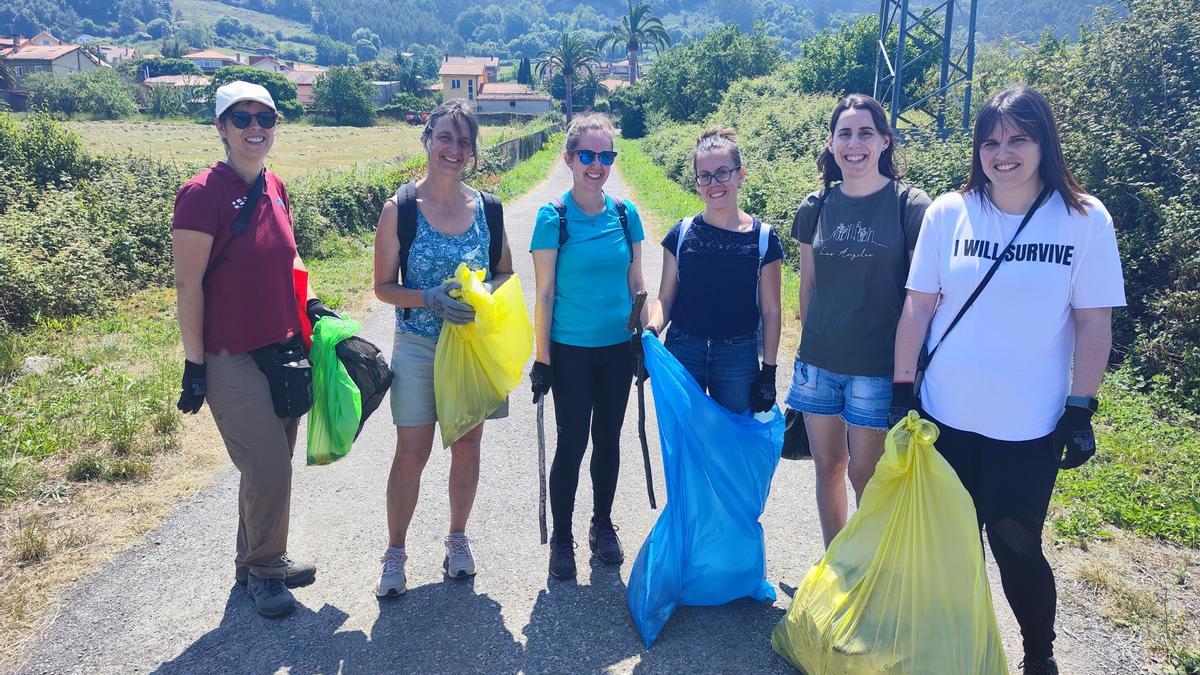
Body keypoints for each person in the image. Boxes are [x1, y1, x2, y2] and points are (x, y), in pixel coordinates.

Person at [890, 86, 1125, 675]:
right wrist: (902, 392)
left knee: (1017, 548)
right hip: (947, 419)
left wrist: (1081, 409)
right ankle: (952, 653)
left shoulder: (1084, 218)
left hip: (1028, 426)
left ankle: (1038, 655)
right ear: (978, 149)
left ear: (1044, 142)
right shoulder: (950, 212)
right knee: (951, 549)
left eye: (1019, 138)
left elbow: (1094, 321)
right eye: (991, 141)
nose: (1004, 153)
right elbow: (918, 307)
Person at [173, 81, 335, 618]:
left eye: (264, 117)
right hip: (230, 355)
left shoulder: (276, 187)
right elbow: (188, 285)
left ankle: (251, 561)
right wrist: (195, 365)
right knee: (268, 466)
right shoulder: (202, 194)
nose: (254, 128)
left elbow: (288, 262)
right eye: (240, 119)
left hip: (283, 349)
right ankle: (269, 571)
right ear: (220, 128)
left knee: (268, 465)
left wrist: (311, 305)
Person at [371, 99, 514, 596]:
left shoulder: (488, 209)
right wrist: (428, 298)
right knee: (412, 452)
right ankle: (395, 552)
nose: (454, 149)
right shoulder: (401, 209)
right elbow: (383, 287)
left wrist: (483, 298)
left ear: (473, 151)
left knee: (468, 446)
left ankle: (457, 539)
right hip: (416, 344)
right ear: (428, 139)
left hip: (470, 348)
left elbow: (504, 273)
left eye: (464, 142)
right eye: (446, 138)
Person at [785, 94, 932, 547]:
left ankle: (869, 570)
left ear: (885, 141)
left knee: (867, 475)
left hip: (877, 368)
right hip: (818, 365)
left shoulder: (911, 206)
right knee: (828, 467)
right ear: (831, 145)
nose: (855, 143)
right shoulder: (816, 206)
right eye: (844, 134)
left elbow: (921, 295)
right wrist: (811, 349)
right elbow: (807, 289)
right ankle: (838, 562)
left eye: (865, 133)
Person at [529, 113, 648, 580]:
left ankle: (602, 523)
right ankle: (562, 536)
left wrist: (643, 336)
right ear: (569, 158)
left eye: (606, 156)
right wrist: (543, 360)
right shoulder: (552, 217)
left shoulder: (625, 213)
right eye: (587, 155)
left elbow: (637, 281)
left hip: (618, 348)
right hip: (571, 349)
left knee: (609, 441)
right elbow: (543, 294)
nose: (597, 165)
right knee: (572, 441)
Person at [646, 126, 784, 414]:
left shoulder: (763, 239)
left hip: (737, 358)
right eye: (705, 176)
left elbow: (771, 311)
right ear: (697, 182)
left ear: (740, 174)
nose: (714, 183)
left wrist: (769, 372)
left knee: (731, 451)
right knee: (686, 443)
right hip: (684, 351)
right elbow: (666, 299)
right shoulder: (681, 234)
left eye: (723, 172)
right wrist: (651, 331)